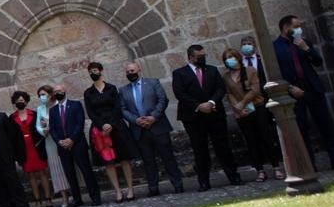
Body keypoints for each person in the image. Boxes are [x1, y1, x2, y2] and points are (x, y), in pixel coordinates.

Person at [172, 44, 243, 190]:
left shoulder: (212, 70)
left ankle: (233, 175)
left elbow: (220, 88)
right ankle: (203, 181)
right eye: (199, 57)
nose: (203, 58)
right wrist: (199, 106)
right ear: (191, 57)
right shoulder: (180, 73)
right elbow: (180, 93)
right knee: (200, 149)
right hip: (193, 117)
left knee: (222, 146)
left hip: (214, 113)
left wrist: (211, 103)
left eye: (204, 56)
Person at [273, 15, 334, 168]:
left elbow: (318, 62)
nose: (298, 29)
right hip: (293, 93)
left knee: (326, 125)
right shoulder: (275, 47)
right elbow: (275, 74)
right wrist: (289, 87)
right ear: (286, 28)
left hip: (312, 88)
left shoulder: (303, 42)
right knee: (301, 129)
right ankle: (309, 165)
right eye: (296, 26)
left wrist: (306, 48)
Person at [119, 64, 184, 195]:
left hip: (158, 127)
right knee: (148, 161)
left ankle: (177, 184)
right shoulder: (123, 90)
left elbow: (162, 100)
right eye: (127, 72)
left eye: (132, 70)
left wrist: (153, 117)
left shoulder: (153, 83)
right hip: (139, 130)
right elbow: (122, 108)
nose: (130, 73)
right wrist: (136, 120)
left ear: (139, 70)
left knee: (168, 157)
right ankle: (153, 188)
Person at [222, 48, 284, 181]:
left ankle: (276, 167)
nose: (230, 60)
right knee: (251, 141)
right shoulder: (226, 76)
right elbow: (229, 93)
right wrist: (237, 108)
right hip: (242, 113)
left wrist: (242, 103)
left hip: (257, 107)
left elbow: (255, 89)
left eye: (232, 57)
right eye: (227, 58)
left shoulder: (250, 71)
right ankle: (260, 170)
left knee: (266, 137)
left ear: (238, 58)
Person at [84, 62, 138, 202]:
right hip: (100, 130)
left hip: (117, 127)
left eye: (95, 70)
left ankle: (130, 189)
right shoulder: (88, 93)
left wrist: (111, 124)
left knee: (124, 158)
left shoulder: (111, 88)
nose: (93, 73)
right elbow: (90, 112)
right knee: (108, 162)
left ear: (101, 71)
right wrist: (102, 125)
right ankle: (118, 191)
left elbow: (117, 107)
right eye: (90, 71)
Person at [49, 87, 102, 207]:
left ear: (65, 91)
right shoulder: (52, 110)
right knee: (69, 173)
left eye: (60, 90)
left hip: (78, 144)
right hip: (62, 147)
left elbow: (80, 123)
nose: (58, 93)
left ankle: (95, 196)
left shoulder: (75, 105)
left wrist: (72, 139)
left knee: (86, 171)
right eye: (55, 91)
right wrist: (59, 141)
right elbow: (52, 129)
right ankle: (77, 199)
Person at [9, 91, 52, 207]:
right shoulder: (12, 118)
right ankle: (37, 200)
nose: (20, 102)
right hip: (23, 150)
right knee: (31, 175)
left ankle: (48, 198)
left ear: (26, 101)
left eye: (22, 100)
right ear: (14, 102)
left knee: (43, 172)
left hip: (37, 147)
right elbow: (12, 137)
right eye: (18, 101)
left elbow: (42, 128)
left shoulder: (34, 114)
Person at [34, 87, 70, 207]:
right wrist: (43, 131)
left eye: (43, 94)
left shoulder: (57, 104)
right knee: (56, 169)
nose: (41, 97)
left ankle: (74, 193)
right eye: (39, 95)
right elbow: (38, 125)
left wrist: (50, 126)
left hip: (60, 139)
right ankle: (64, 197)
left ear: (50, 94)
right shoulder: (40, 109)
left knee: (67, 166)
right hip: (49, 141)